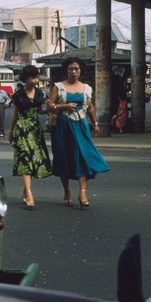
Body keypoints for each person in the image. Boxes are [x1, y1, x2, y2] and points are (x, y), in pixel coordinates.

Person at [47, 57, 110, 209]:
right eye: (71, 69)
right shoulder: (58, 87)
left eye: (76, 69)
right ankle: (67, 190)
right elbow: (50, 106)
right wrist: (64, 106)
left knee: (83, 156)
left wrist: (94, 123)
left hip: (81, 125)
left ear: (80, 70)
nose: (74, 71)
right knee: (63, 158)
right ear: (66, 70)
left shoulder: (87, 88)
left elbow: (90, 107)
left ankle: (82, 192)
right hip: (63, 126)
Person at [8, 65, 52, 209]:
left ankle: (25, 189)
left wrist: (54, 110)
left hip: (35, 130)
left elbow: (40, 111)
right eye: (33, 77)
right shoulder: (18, 94)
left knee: (34, 159)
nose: (36, 80)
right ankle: (29, 192)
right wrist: (10, 132)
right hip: (21, 128)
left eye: (37, 77)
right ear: (26, 79)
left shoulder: (39, 93)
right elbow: (14, 115)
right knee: (25, 158)